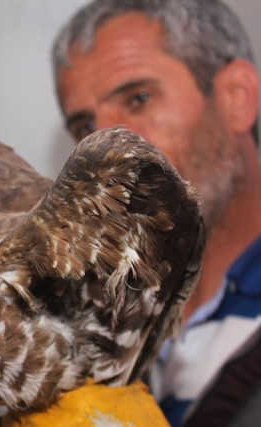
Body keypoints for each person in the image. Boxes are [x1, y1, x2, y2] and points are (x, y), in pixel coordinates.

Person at [51, 0, 261, 425]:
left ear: (237, 97)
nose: (103, 152)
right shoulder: (86, 331)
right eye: (84, 127)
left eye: (138, 98)